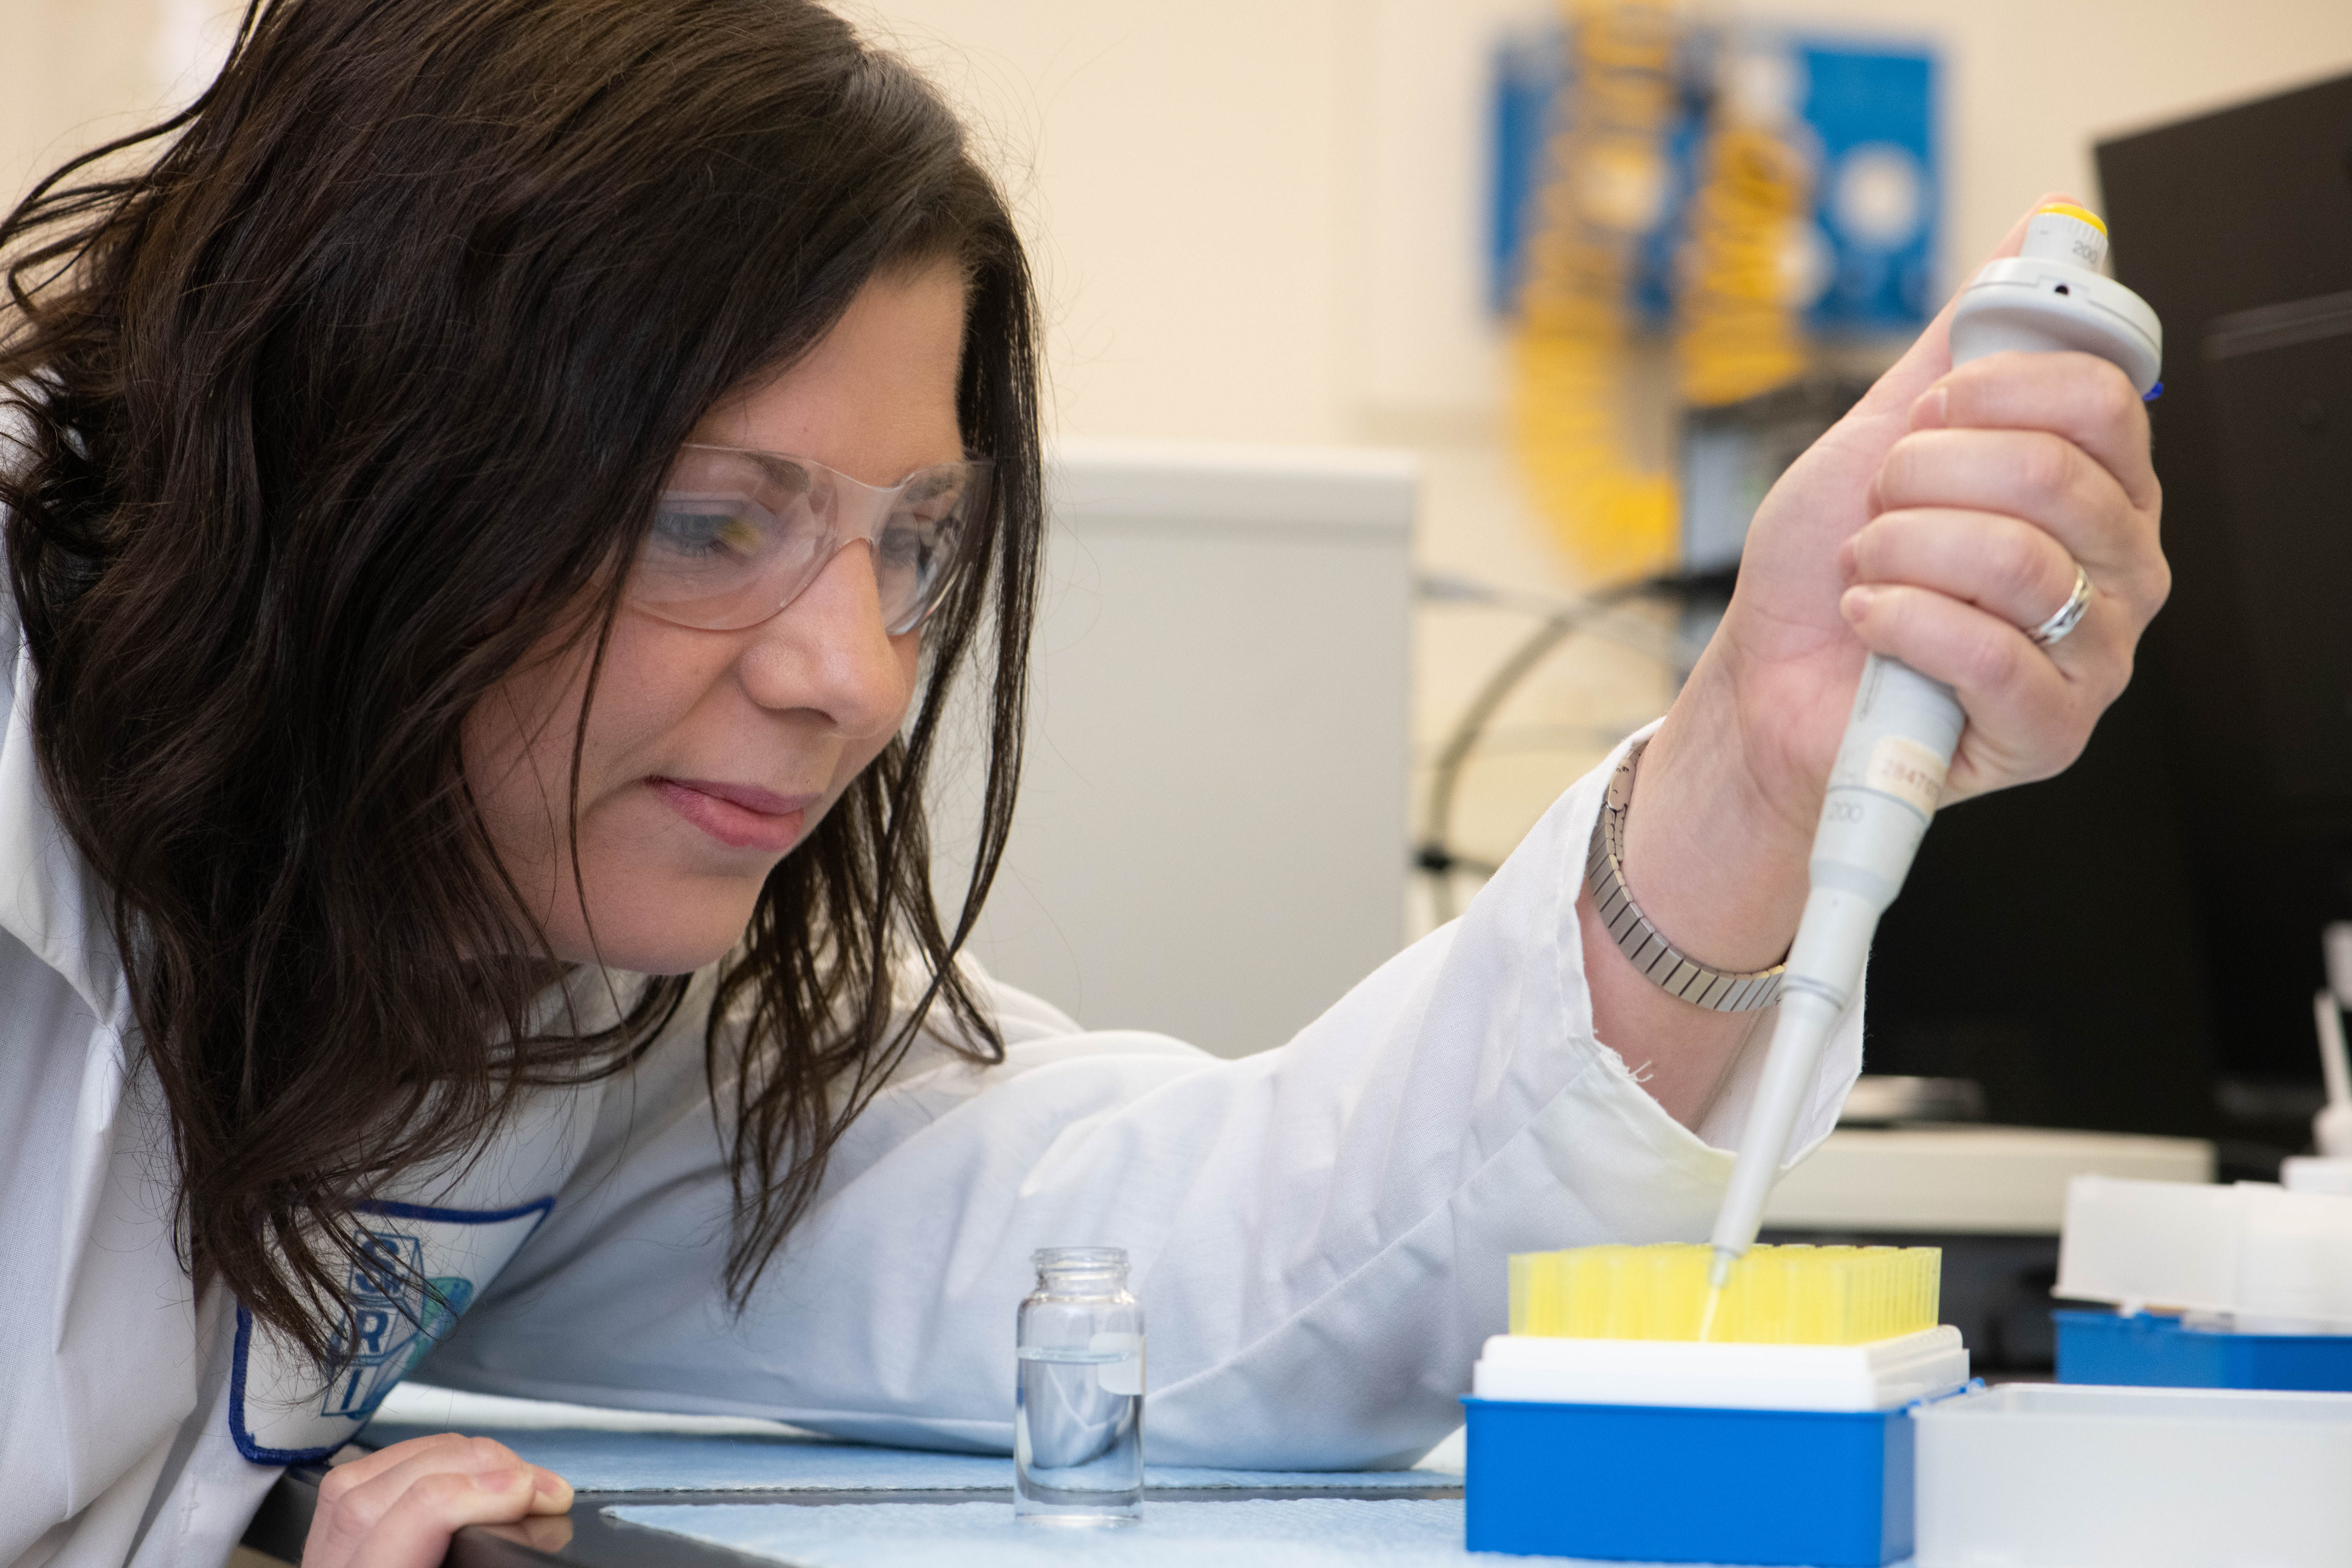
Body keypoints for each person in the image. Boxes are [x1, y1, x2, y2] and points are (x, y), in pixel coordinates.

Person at [0, 1, 2166, 1563]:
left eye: (912, 545)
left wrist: (1754, 761)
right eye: (704, 519)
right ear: (349, 456)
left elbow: (1188, 1274)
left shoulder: (562, 991)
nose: (852, 675)